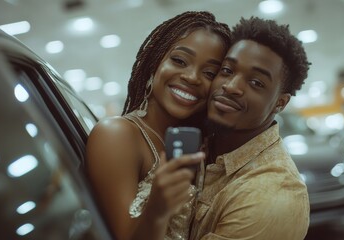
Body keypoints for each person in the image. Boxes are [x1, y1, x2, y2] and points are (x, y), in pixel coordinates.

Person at [85, 11, 231, 240]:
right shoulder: (117, 134)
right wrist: (156, 210)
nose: (192, 77)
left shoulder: (201, 146)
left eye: (210, 73)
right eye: (179, 61)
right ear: (155, 63)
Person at [189, 17, 311, 240]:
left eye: (256, 83)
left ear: (280, 103)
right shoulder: (201, 145)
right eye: (226, 70)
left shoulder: (272, 196)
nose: (231, 86)